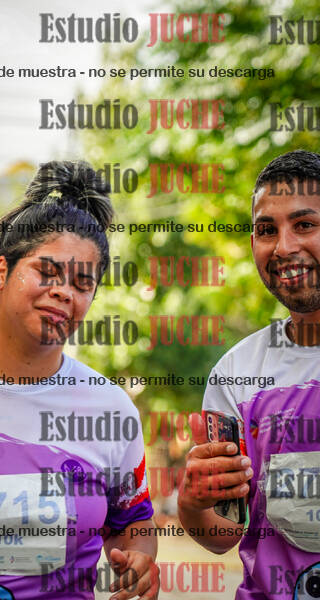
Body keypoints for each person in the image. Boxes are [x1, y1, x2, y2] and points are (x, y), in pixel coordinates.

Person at [0, 160, 159, 600]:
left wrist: (139, 563)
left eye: (82, 283)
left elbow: (133, 523)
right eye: (47, 272)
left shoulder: (109, 409)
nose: (64, 291)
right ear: (0, 271)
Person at [178, 149, 320, 600]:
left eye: (304, 224)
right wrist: (193, 502)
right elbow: (223, 532)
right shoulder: (237, 375)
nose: (283, 247)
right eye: (266, 230)